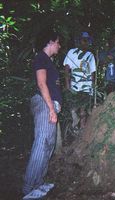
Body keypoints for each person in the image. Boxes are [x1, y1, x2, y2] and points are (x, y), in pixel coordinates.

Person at [22, 30, 61, 199]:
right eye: (58, 42)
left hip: (49, 105)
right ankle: (29, 187)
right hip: (45, 104)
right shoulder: (41, 58)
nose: (59, 46)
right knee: (42, 142)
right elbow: (41, 83)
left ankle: (38, 183)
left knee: (48, 144)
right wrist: (51, 108)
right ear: (51, 42)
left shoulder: (48, 60)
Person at [63, 32, 96, 129]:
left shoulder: (90, 55)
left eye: (87, 40)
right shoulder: (72, 52)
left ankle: (82, 128)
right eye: (83, 40)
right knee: (73, 108)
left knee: (83, 109)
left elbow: (93, 72)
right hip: (75, 85)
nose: (85, 42)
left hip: (86, 86)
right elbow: (66, 69)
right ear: (79, 41)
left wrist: (92, 86)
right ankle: (73, 128)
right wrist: (67, 84)